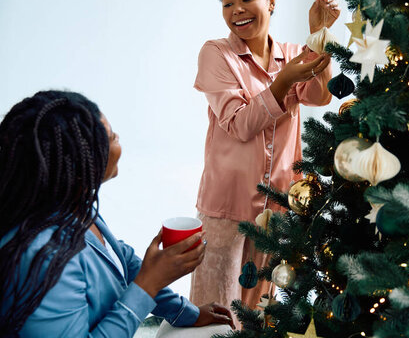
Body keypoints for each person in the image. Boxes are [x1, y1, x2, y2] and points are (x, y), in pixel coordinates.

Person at [0, 90, 235, 337]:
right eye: (111, 137)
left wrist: (185, 311)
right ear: (81, 166)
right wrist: (149, 283)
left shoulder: (73, 205)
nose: (118, 139)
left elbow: (122, 261)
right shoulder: (43, 258)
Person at [189, 0, 340, 326]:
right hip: (226, 207)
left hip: (276, 207)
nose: (236, 10)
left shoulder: (291, 53)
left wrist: (318, 34)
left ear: (270, 2)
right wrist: (282, 81)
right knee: (215, 315)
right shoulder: (216, 54)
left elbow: (319, 95)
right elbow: (240, 125)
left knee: (258, 316)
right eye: (227, 3)